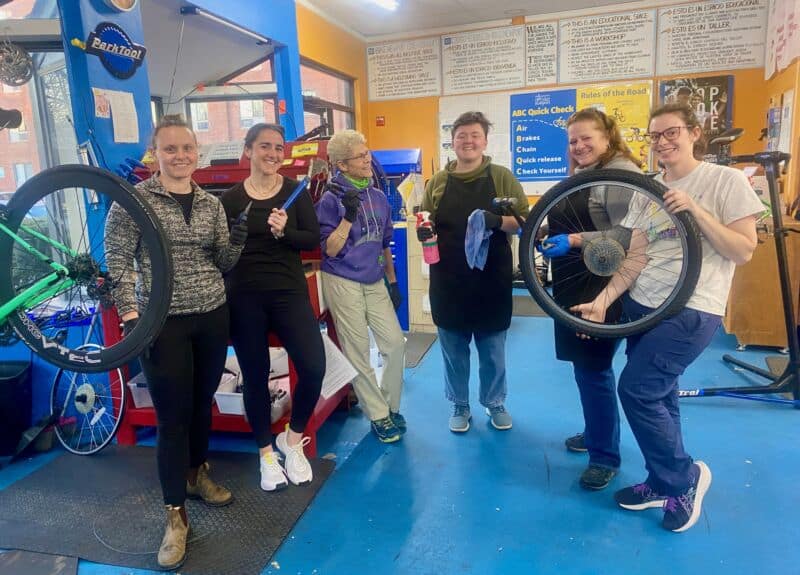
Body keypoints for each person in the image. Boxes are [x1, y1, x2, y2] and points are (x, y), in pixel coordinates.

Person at [572, 103, 762, 532]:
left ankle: (683, 478)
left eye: (671, 132)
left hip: (694, 306)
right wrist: (604, 299)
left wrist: (694, 210)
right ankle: (661, 481)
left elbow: (743, 250)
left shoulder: (724, 180)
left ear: (694, 133)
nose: (662, 142)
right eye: (654, 136)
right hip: (645, 305)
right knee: (661, 395)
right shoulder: (649, 187)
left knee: (637, 390)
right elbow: (636, 254)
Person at [106, 115, 247, 570]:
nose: (181, 156)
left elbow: (220, 259)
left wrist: (243, 233)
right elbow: (118, 263)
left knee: (202, 401)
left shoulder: (210, 203)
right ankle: (175, 516)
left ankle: (196, 473)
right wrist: (132, 317)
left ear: (197, 152)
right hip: (161, 322)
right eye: (171, 149)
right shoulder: (133, 202)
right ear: (155, 153)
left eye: (187, 148)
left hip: (211, 314)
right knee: (172, 418)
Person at [540, 107, 643, 490]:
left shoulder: (621, 174)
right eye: (573, 140)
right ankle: (597, 432)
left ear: (607, 137)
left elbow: (632, 236)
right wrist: (549, 230)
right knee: (585, 369)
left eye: (587, 138)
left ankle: (605, 457)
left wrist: (574, 241)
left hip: (603, 284)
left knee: (594, 369)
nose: (579, 145)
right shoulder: (587, 174)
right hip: (574, 279)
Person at [221, 123, 324, 491]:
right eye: (264, 146)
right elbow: (219, 254)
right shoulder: (230, 199)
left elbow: (313, 240)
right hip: (244, 296)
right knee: (255, 375)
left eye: (279, 148)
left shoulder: (296, 193)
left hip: (288, 293)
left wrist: (285, 232)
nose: (273, 154)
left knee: (314, 366)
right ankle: (266, 454)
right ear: (248, 151)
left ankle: (292, 440)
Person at [420, 111, 529, 433]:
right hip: (448, 279)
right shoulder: (438, 182)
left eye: (474, 135)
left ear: (484, 140)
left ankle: (495, 402)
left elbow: (523, 222)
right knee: (454, 350)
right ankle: (460, 404)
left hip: (490, 279)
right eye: (461, 135)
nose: (468, 141)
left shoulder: (501, 177)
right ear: (452, 141)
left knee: (492, 350)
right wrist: (424, 233)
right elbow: (426, 218)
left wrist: (497, 221)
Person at [315, 129, 406, 443]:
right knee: (358, 353)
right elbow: (330, 249)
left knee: (394, 344)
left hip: (374, 279)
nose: (368, 160)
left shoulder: (379, 196)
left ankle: (390, 405)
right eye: (360, 156)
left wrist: (393, 282)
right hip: (342, 280)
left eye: (368, 153)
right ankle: (378, 416)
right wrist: (347, 216)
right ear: (342, 165)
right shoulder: (329, 200)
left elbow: (384, 244)